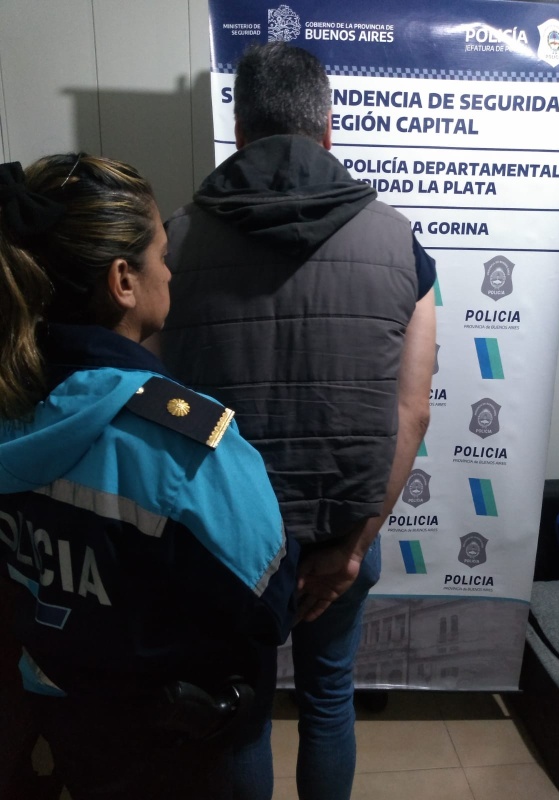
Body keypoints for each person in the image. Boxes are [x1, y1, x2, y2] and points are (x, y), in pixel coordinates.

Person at [160, 42, 437, 800]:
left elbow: (155, 403)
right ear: (328, 129)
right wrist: (354, 547)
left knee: (239, 714)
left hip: (222, 541)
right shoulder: (398, 241)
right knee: (328, 700)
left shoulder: (172, 241)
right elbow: (412, 409)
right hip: (342, 533)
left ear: (240, 131)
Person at [0, 153, 299, 800]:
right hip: (185, 748)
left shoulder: (9, 406)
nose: (169, 271)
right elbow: (268, 601)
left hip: (67, 726)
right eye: (161, 254)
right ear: (122, 281)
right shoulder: (179, 446)